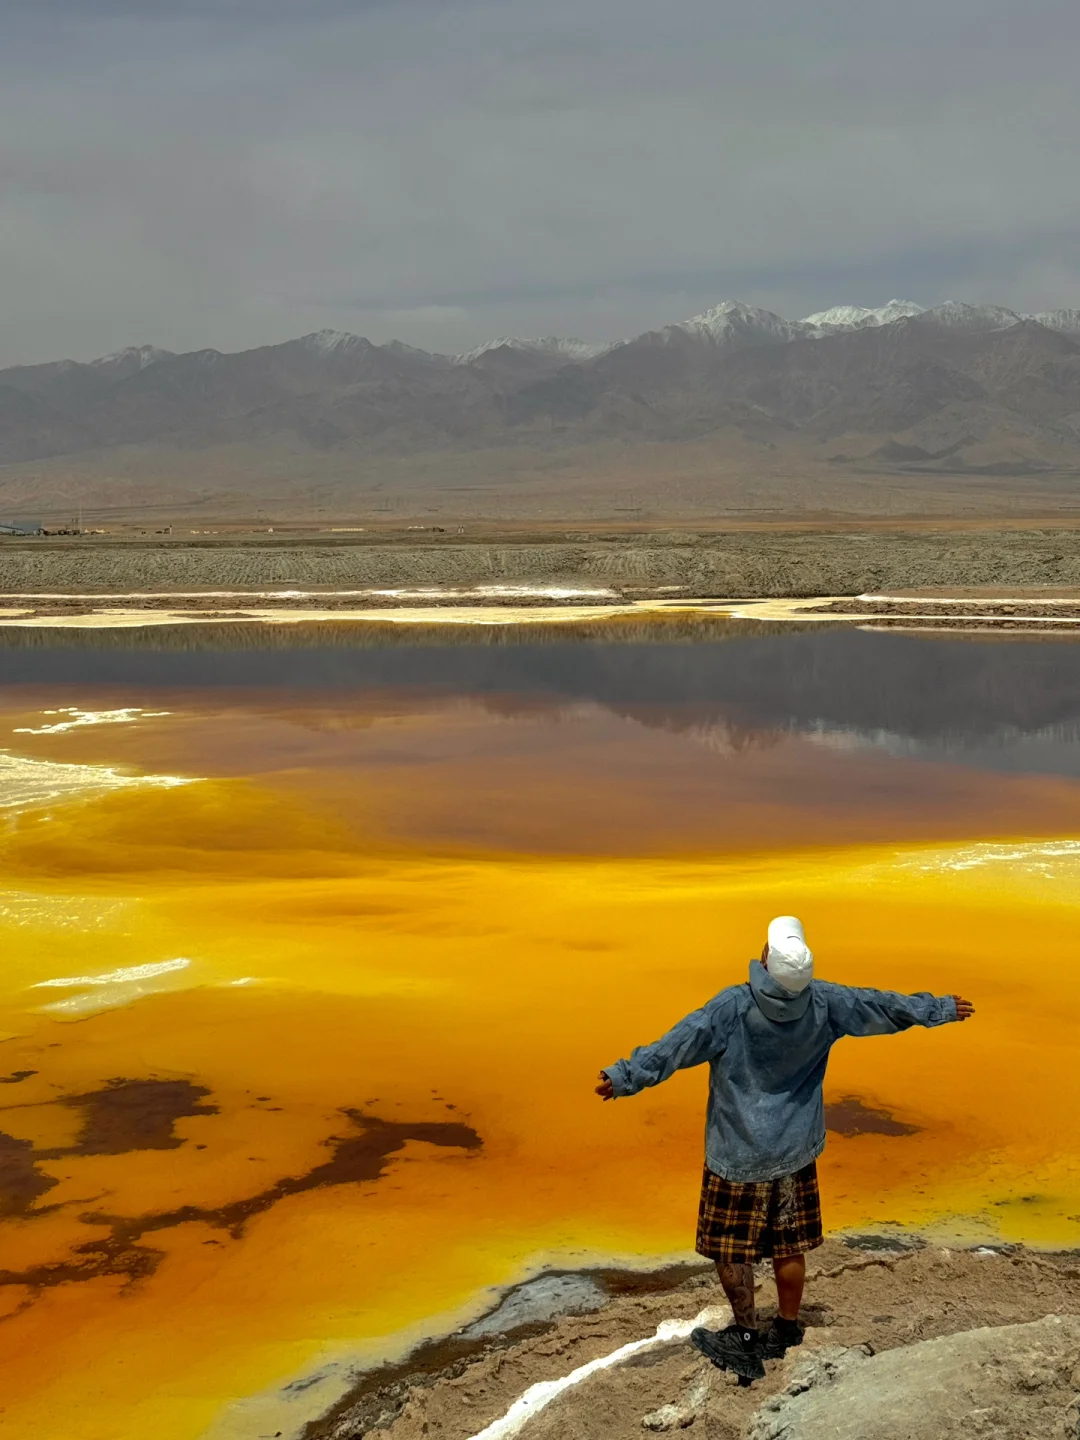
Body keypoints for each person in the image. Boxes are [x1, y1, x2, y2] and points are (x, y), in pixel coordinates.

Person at [596, 915, 975, 1384]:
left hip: (738, 1153)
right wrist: (938, 1008)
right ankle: (788, 1327)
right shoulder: (827, 1002)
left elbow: (675, 1046)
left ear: (764, 960)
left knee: (731, 1249)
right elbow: (884, 1007)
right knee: (788, 1244)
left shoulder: (731, 1008)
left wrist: (623, 1077)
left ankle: (746, 1338)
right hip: (795, 1149)